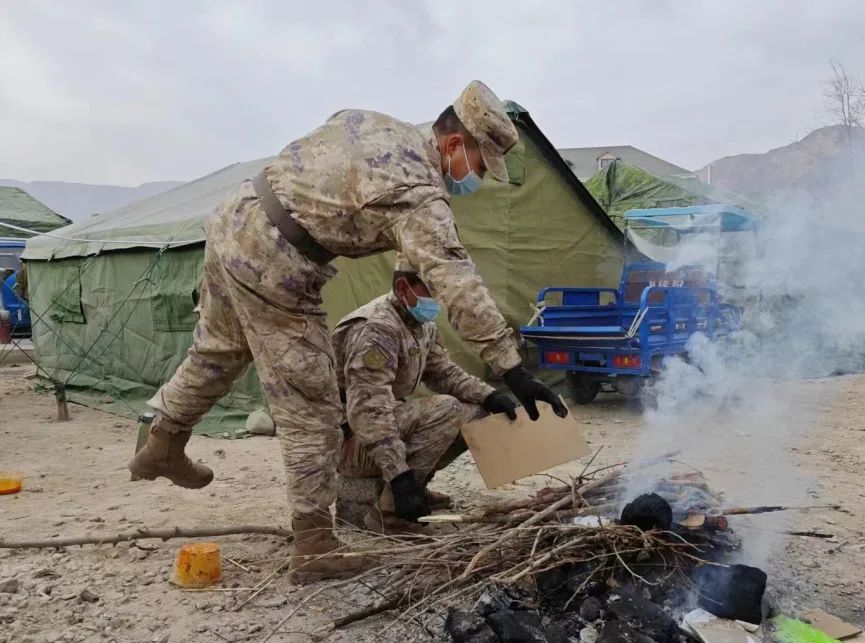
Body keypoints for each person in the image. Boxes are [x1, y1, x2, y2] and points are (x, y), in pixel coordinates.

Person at [128, 80, 567, 582]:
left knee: (217, 352)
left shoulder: (379, 124)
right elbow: (454, 277)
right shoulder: (417, 191)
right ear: (452, 144)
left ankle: (163, 440)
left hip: (235, 217)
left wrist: (490, 393)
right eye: (481, 164)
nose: (480, 178)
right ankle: (314, 546)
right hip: (278, 257)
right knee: (312, 407)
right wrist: (511, 365)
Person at [332, 269, 519, 532]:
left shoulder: (420, 325)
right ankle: (391, 511)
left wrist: (490, 395)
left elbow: (443, 372)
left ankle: (417, 489)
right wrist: (400, 479)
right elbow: (368, 410)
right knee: (446, 409)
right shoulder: (375, 329)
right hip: (348, 439)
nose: (438, 299)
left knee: (476, 415)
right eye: (431, 290)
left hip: (375, 427)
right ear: (402, 288)